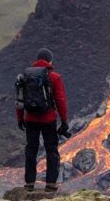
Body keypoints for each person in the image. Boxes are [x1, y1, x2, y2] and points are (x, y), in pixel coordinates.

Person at [16, 48, 69, 192]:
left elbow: (19, 99)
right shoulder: (54, 77)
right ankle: (51, 184)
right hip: (48, 119)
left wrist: (20, 118)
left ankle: (29, 184)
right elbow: (60, 100)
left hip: (30, 119)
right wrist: (64, 121)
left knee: (31, 150)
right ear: (50, 61)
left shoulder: (24, 76)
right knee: (51, 150)